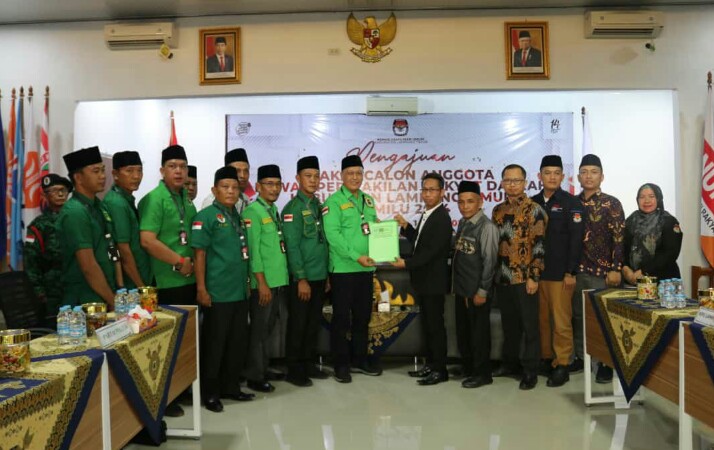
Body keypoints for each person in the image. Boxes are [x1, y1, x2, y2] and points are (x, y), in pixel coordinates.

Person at [138, 144, 197, 418]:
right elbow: (147, 241)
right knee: (164, 345)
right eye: (172, 166)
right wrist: (178, 261)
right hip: (165, 283)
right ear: (162, 171)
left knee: (184, 343)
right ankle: (164, 397)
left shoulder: (186, 199)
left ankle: (180, 389)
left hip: (188, 281)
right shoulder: (155, 199)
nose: (178, 171)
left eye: (182, 167)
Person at [192, 166, 255, 413]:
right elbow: (199, 254)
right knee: (214, 345)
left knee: (236, 342)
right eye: (225, 187)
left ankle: (231, 386)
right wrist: (201, 288)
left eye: (235, 188)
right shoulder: (206, 217)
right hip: (217, 292)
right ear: (214, 190)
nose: (231, 191)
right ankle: (210, 393)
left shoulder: (237, 216)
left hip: (238, 292)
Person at [323, 155, 381, 383]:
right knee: (341, 319)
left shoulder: (368, 200)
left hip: (366, 270)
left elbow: (374, 228)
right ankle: (340, 364)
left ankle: (360, 359)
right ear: (342, 176)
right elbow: (333, 236)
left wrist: (385, 243)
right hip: (343, 270)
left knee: (362, 317)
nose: (355, 177)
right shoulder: (333, 202)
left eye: (359, 173)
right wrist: (357, 256)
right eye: (350, 173)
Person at [392, 172, 452, 386]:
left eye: (432, 190)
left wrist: (406, 264)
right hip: (425, 281)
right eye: (425, 189)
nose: (427, 194)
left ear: (442, 192)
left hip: (434, 282)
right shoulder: (429, 213)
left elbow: (430, 253)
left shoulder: (442, 218)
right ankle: (431, 365)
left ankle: (440, 370)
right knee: (428, 325)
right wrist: (405, 226)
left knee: (435, 326)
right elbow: (419, 242)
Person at [491, 164, 547, 390]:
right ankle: (509, 364)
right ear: (502, 183)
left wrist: (534, 276)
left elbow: (540, 246)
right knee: (509, 326)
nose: (512, 184)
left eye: (516, 180)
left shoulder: (535, 210)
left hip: (525, 278)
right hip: (502, 278)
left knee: (529, 327)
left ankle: (530, 371)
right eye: (508, 180)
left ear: (525, 183)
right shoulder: (497, 210)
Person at [531, 155, 584, 388]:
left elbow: (576, 240)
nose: (551, 177)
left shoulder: (571, 203)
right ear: (539, 176)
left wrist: (570, 272)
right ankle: (546, 359)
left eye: (556, 173)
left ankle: (562, 363)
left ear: (563, 176)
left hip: (561, 274)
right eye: (547, 173)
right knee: (541, 320)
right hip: (536, 275)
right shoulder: (532, 203)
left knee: (561, 322)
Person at [572, 154, 625, 384]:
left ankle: (606, 363)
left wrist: (616, 268)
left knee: (604, 319)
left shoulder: (612, 203)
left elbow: (619, 239)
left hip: (603, 274)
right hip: (577, 271)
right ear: (578, 177)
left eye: (594, 172)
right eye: (584, 172)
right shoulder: (572, 203)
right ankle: (580, 357)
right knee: (578, 317)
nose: (589, 176)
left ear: (602, 176)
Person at [281, 156, 330, 387]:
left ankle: (308, 363)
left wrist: (327, 275)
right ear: (298, 178)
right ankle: (294, 369)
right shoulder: (293, 209)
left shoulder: (319, 206)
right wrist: (301, 278)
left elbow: (323, 243)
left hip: (319, 276)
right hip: (303, 279)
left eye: (316, 176)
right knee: (298, 324)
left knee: (313, 324)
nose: (313, 180)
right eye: (308, 176)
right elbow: (292, 247)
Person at [243, 164, 289, 393]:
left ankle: (263, 367)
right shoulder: (253, 212)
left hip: (277, 281)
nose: (274, 188)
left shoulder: (272, 210)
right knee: (259, 331)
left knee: (268, 329)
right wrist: (261, 283)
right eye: (269, 184)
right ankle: (254, 376)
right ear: (258, 186)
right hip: (263, 284)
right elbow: (253, 252)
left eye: (278, 184)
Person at [451, 181, 499, 389]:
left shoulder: (487, 227)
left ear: (480, 202)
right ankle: (469, 367)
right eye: (461, 202)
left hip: (477, 291)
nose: (465, 206)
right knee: (464, 332)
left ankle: (482, 374)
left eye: (470, 201)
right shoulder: (463, 223)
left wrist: (482, 291)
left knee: (479, 335)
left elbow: (490, 263)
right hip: (462, 289)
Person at [56, 146, 117, 307]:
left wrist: (119, 287)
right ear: (78, 178)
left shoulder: (98, 206)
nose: (102, 176)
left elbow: (111, 246)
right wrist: (112, 301)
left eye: (103, 170)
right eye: (96, 171)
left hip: (106, 293)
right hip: (85, 301)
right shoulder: (75, 212)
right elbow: (88, 266)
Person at [24, 173, 73, 323]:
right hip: (52, 292)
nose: (60, 194)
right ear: (45, 196)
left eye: (63, 190)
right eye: (54, 191)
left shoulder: (75, 218)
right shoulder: (37, 226)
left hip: (75, 284)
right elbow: (31, 264)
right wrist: (39, 293)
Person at [103, 151, 152, 289]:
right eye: (129, 171)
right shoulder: (117, 203)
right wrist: (141, 287)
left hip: (138, 278)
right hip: (132, 284)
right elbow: (123, 250)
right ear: (115, 174)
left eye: (139, 170)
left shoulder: (125, 199)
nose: (136, 176)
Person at [622, 183, 682, 284]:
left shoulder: (668, 221)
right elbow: (622, 247)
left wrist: (644, 271)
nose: (647, 201)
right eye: (642, 197)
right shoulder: (631, 220)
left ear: (658, 198)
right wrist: (625, 268)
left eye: (651, 196)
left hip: (663, 281)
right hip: (632, 280)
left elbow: (670, 253)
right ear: (637, 200)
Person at [201, 148, 252, 213]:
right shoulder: (212, 201)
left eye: (246, 171)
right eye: (237, 171)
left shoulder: (246, 199)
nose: (243, 175)